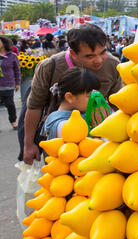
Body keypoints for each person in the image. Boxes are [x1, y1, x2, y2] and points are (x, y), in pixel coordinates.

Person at [20, 24, 123, 164]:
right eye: (90, 56)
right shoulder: (49, 67)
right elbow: (34, 107)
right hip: (60, 147)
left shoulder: (113, 65)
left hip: (97, 146)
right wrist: (28, 144)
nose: (99, 60)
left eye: (103, 52)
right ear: (73, 53)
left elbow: (117, 103)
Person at [43, 67, 101, 140]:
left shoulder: (82, 114)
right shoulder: (61, 124)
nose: (95, 100)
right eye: (89, 96)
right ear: (69, 97)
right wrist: (98, 128)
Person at [0, 36, 21, 130]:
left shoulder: (12, 56)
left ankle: (13, 121)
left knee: (10, 104)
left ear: (4, 43)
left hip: (8, 84)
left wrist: (17, 83)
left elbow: (17, 70)